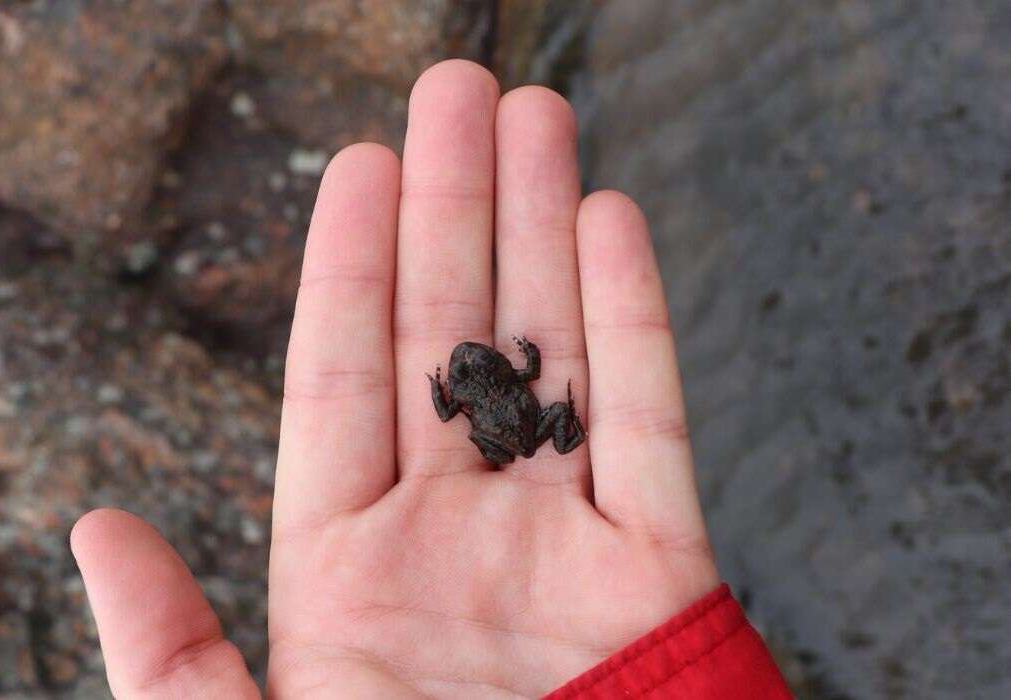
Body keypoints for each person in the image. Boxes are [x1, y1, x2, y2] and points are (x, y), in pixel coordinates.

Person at [69, 60, 792, 698]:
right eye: (463, 367)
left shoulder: (481, 384)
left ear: (476, 373)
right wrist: (525, 389)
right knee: (536, 415)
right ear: (479, 373)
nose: (465, 364)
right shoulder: (501, 375)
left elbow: (461, 406)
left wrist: (457, 395)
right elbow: (519, 376)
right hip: (519, 425)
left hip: (506, 428)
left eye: (465, 367)